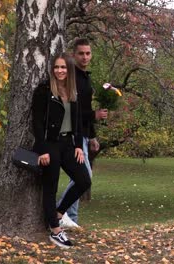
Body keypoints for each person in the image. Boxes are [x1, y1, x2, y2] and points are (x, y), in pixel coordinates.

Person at [32, 52, 91, 249]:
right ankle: (55, 231)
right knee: (51, 185)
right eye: (56, 67)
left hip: (68, 143)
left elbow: (78, 122)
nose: (60, 71)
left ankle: (57, 214)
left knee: (84, 179)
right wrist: (42, 150)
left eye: (63, 67)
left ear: (69, 70)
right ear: (52, 69)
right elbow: (37, 123)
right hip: (49, 144)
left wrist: (78, 146)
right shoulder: (44, 90)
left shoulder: (73, 91)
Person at [56, 38, 107, 226]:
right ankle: (62, 214)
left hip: (84, 133)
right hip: (72, 134)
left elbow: (85, 108)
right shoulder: (72, 78)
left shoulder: (86, 77)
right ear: (74, 55)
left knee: (83, 177)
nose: (85, 57)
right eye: (81, 53)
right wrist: (94, 114)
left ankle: (68, 216)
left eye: (88, 53)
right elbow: (73, 110)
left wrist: (92, 135)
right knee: (83, 176)